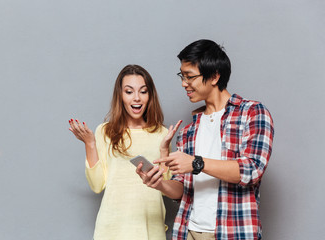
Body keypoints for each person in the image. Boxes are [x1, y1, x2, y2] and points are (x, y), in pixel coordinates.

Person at [136, 40, 274, 240]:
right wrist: (159, 184)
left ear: (215, 76)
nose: (184, 83)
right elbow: (181, 190)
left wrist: (195, 163)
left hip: (233, 232)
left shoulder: (252, 113)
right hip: (188, 231)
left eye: (190, 76)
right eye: (182, 76)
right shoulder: (188, 131)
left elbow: (252, 170)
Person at [68, 64, 181, 240]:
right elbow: (97, 185)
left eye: (143, 91)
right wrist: (90, 144)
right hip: (112, 228)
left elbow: (166, 188)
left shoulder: (162, 134)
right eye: (129, 92)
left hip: (150, 227)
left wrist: (164, 149)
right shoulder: (104, 131)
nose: (136, 98)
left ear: (150, 95)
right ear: (120, 96)